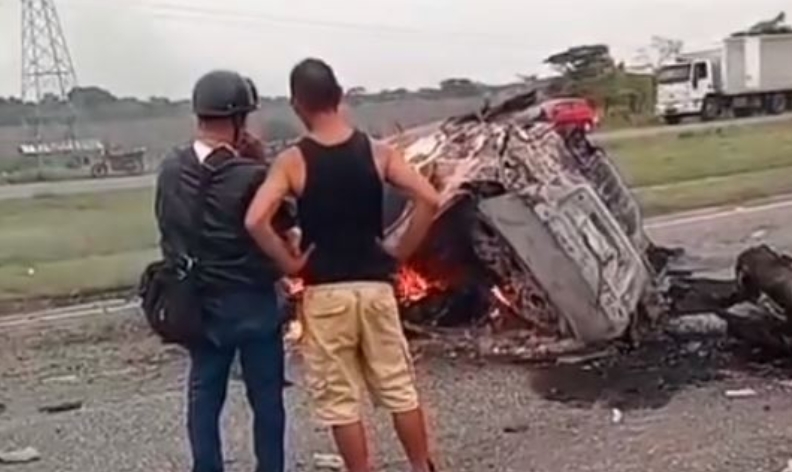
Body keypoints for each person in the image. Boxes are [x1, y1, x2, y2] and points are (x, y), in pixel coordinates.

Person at [245, 58, 441, 472]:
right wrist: (401, 251)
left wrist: (291, 263)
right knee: (399, 388)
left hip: (325, 292)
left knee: (340, 401)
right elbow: (431, 199)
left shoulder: (293, 161)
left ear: (298, 105)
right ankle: (422, 466)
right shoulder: (378, 151)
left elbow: (255, 220)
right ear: (339, 95)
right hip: (375, 287)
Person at [154, 69, 295, 472]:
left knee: (203, 394)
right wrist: (260, 162)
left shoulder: (169, 168)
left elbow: (167, 229)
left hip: (196, 303)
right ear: (238, 120)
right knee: (266, 398)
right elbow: (284, 228)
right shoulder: (251, 175)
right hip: (251, 302)